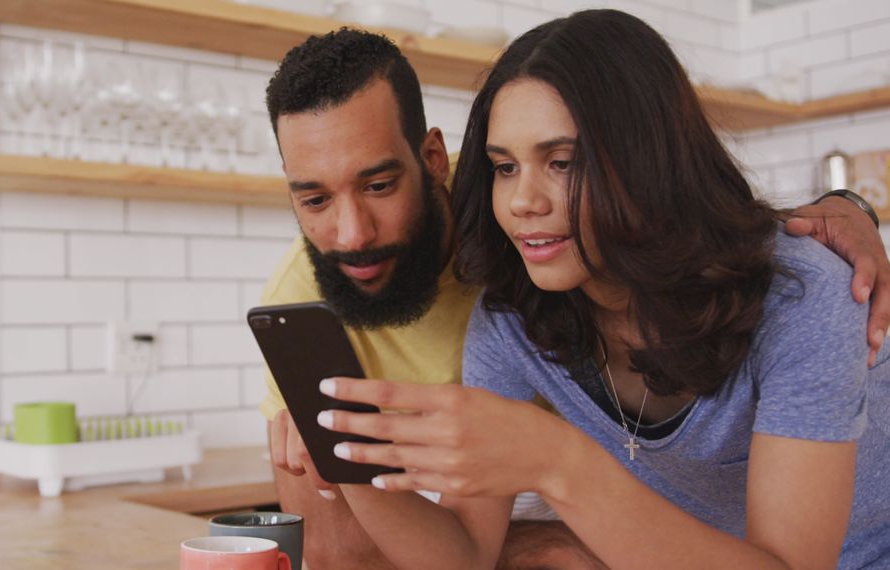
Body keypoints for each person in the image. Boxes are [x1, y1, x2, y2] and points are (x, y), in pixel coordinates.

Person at [259, 26, 890, 569]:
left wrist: (556, 460)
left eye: (561, 161)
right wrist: (347, 456)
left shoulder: (801, 295)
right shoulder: (511, 319)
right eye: (505, 167)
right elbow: (465, 554)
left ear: (650, 161)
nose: (522, 202)